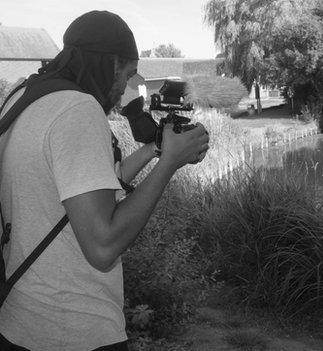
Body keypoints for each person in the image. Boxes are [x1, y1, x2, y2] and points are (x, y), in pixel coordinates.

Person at [0, 11, 209, 351]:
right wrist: (169, 164)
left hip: (19, 321)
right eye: (126, 74)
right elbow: (103, 246)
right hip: (75, 328)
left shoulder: (25, 95)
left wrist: (153, 150)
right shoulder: (77, 110)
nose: (122, 89)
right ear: (111, 64)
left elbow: (79, 194)